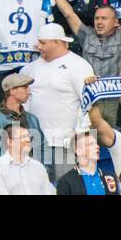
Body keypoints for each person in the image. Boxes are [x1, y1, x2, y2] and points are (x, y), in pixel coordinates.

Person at [20, 20, 96, 169]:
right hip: (35, 141)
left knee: (65, 187)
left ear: (56, 42)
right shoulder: (28, 69)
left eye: (43, 43)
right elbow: (24, 103)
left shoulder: (79, 65)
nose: (38, 46)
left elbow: (87, 103)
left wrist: (80, 134)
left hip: (65, 142)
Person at [0, 120, 56, 196]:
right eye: (23, 137)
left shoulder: (38, 167)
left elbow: (49, 192)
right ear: (10, 142)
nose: (28, 140)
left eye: (28, 136)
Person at [56, 131, 114, 195]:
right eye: (90, 144)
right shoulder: (66, 182)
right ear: (79, 151)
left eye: (96, 143)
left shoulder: (110, 177)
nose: (97, 146)